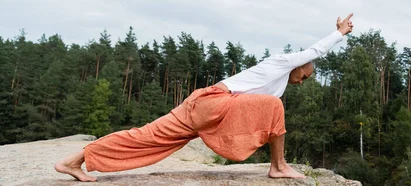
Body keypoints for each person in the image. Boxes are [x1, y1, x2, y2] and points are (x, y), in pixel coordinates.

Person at [54, 13, 354, 182]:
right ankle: (278, 167)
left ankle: (72, 161)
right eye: (305, 75)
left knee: (144, 136)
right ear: (298, 64)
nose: (303, 81)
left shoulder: (275, 82)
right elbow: (313, 52)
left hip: (204, 104)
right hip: (215, 104)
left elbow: (263, 120)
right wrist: (339, 34)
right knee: (274, 107)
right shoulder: (281, 61)